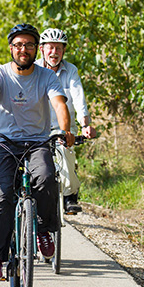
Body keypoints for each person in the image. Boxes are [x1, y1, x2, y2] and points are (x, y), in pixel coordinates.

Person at [0, 23, 75, 280]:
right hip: (3, 142)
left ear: (36, 49)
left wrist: (65, 130)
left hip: (37, 141)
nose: (24, 49)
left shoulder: (46, 76)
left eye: (29, 45)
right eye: (18, 45)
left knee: (45, 177)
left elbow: (59, 104)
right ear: (11, 48)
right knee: (3, 193)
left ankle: (42, 228)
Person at [36, 28, 97, 214]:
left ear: (63, 51)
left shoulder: (70, 70)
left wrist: (85, 124)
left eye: (59, 48)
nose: (54, 52)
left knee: (66, 153)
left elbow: (79, 98)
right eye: (50, 48)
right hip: (38, 127)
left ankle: (70, 196)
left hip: (65, 127)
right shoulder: (34, 69)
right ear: (42, 49)